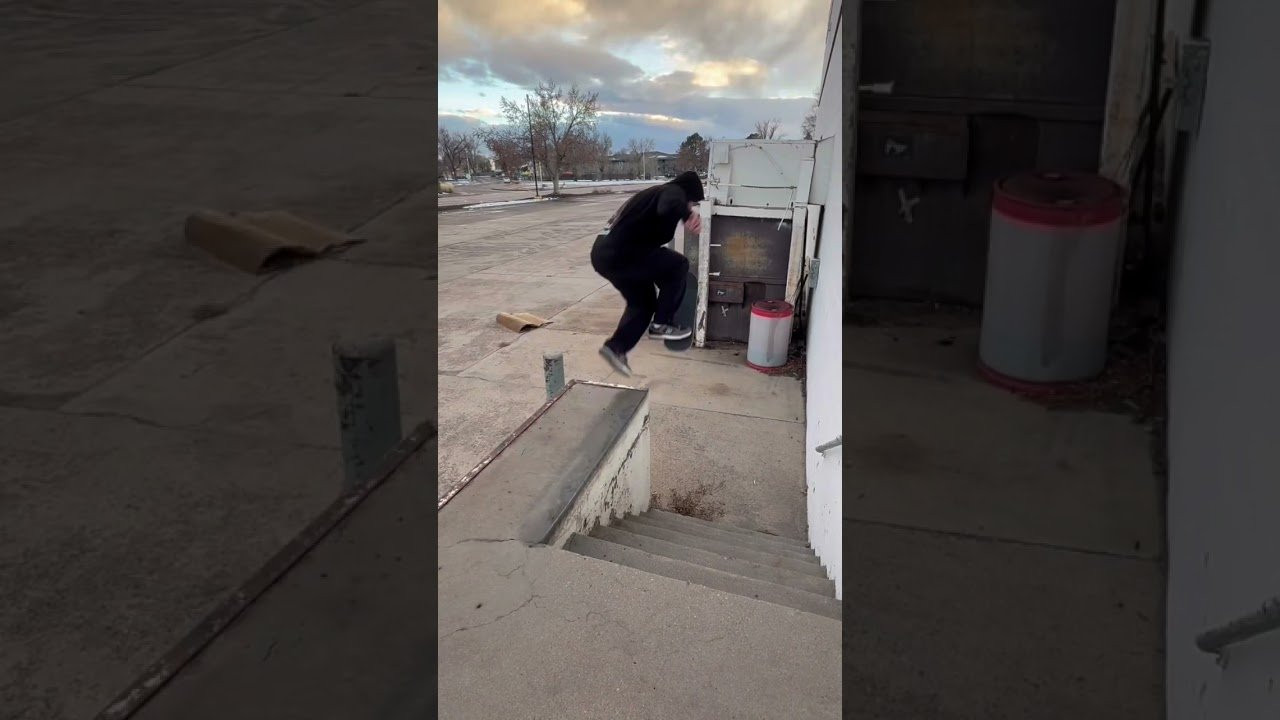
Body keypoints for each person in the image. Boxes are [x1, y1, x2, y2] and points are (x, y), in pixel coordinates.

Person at [590, 170, 704, 377]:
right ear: (688, 193)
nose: (691, 206)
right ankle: (662, 323)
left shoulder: (652, 195)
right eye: (692, 202)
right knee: (678, 265)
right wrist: (688, 215)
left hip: (607, 256)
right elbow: (670, 202)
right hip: (624, 254)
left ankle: (616, 348)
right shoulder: (672, 191)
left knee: (643, 303)